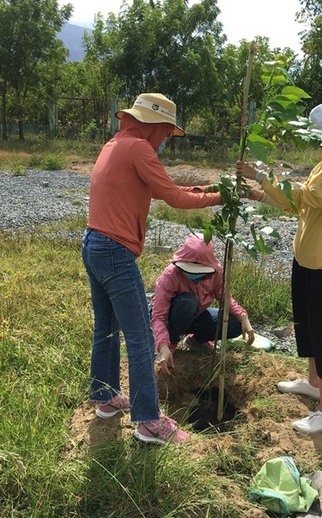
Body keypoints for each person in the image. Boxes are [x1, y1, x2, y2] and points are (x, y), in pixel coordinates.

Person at [81, 93, 222, 445]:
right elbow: (175, 198)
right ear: (154, 125)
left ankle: (105, 397)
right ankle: (148, 421)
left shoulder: (115, 143)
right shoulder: (139, 149)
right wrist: (223, 197)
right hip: (115, 251)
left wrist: (211, 189)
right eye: (166, 133)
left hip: (93, 244)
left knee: (107, 329)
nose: (164, 141)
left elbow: (165, 189)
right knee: (142, 337)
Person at [236, 100, 322, 434]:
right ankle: (314, 383)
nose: (316, 144)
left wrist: (261, 175)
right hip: (306, 257)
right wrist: (260, 195)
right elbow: (297, 203)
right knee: (306, 323)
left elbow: (308, 196)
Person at [151, 234, 255, 375]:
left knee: (234, 324)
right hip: (173, 317)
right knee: (189, 302)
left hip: (196, 315)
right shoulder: (170, 275)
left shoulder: (216, 274)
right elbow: (158, 316)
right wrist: (163, 346)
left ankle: (196, 340)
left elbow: (226, 299)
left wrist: (243, 317)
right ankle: (172, 341)